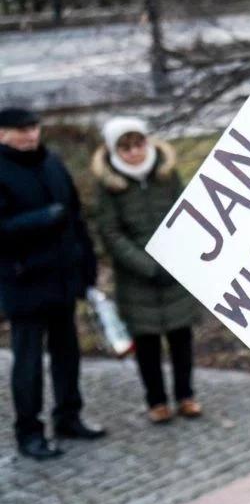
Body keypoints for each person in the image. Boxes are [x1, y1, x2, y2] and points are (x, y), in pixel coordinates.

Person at [0, 107, 105, 460]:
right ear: (2, 134)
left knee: (67, 352)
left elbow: (75, 218)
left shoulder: (52, 163)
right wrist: (40, 219)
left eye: (33, 127)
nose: (30, 135)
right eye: (21, 130)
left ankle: (68, 416)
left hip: (63, 277)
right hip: (24, 280)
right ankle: (29, 432)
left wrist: (87, 267)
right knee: (28, 361)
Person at [92, 117, 201, 424]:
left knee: (182, 339)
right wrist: (147, 267)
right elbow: (111, 233)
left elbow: (185, 212)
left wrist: (178, 256)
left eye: (138, 144)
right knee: (148, 345)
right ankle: (156, 401)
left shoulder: (166, 175)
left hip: (174, 268)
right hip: (137, 276)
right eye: (125, 148)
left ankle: (186, 395)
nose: (134, 152)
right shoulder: (110, 186)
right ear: (116, 150)